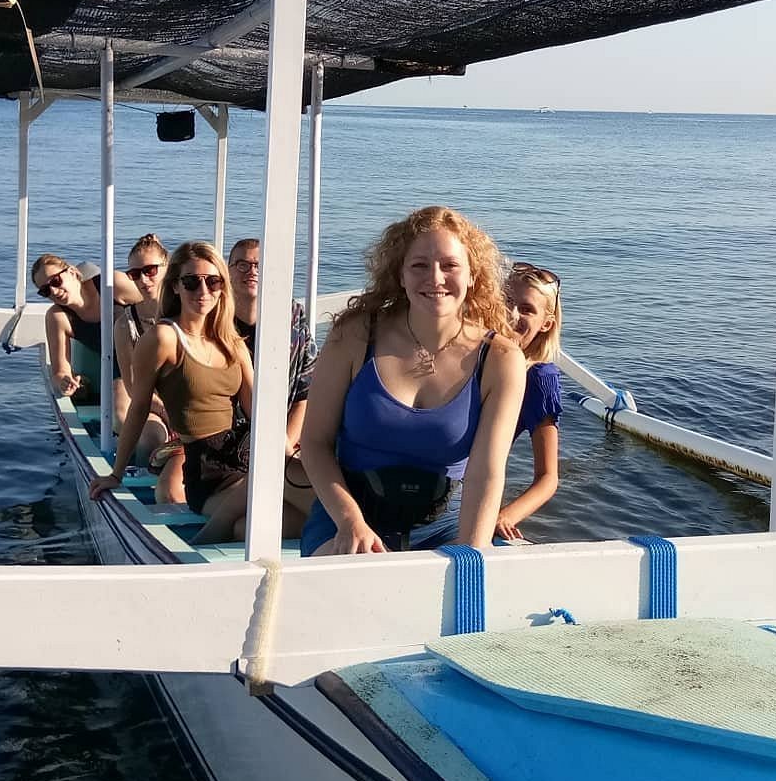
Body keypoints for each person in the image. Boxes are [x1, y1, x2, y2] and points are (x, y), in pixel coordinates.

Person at [299, 206, 526, 556]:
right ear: (400, 275)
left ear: (472, 276)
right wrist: (350, 521)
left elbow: (486, 472)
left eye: (449, 265)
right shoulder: (355, 336)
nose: (435, 278)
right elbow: (314, 442)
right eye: (419, 265)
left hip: (447, 525)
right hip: (349, 522)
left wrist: (471, 554)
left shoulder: (501, 359)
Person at [88, 242, 253, 546]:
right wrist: (116, 473)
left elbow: (257, 412)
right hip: (208, 471)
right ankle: (203, 544)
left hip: (244, 458)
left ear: (222, 288)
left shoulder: (232, 342)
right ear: (175, 286)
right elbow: (138, 408)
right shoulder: (164, 337)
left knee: (258, 522)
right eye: (192, 282)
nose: (203, 290)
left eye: (212, 281)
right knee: (275, 489)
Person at [228, 237, 318, 535]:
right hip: (226, 447)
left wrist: (287, 445)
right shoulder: (215, 323)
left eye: (258, 265)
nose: (251, 271)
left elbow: (305, 387)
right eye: (242, 264)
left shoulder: (292, 317)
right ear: (228, 272)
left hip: (283, 444)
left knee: (247, 527)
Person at [113, 233, 185, 504]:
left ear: (168, 269)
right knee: (148, 440)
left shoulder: (188, 313)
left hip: (191, 405)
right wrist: (166, 409)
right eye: (135, 274)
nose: (143, 279)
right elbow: (133, 385)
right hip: (153, 404)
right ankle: (148, 499)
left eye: (150, 270)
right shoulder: (125, 324)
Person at [495, 262, 563, 541]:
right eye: (507, 302)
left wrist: (504, 516)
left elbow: (548, 477)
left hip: (470, 500)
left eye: (527, 309)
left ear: (545, 323)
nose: (512, 315)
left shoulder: (537, 379)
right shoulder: (468, 357)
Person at [31, 253, 141, 413]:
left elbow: (156, 303)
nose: (54, 291)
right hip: (122, 372)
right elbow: (60, 371)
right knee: (120, 412)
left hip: (154, 356)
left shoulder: (112, 285)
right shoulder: (58, 317)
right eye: (45, 291)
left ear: (72, 272)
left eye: (55, 281)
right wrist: (65, 382)